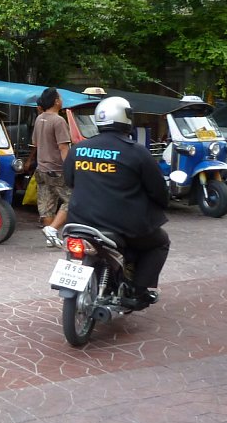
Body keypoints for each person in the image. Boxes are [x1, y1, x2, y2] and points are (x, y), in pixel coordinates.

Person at [63, 96, 171, 310]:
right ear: (125, 118)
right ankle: (139, 291)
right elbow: (158, 190)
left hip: (79, 220)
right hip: (122, 225)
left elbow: (69, 181)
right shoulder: (136, 152)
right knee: (160, 242)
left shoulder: (79, 149)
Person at [31, 87, 72, 247]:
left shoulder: (39, 118)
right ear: (56, 101)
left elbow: (35, 143)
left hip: (41, 169)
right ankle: (53, 230)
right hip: (57, 170)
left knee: (47, 205)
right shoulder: (58, 120)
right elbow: (63, 148)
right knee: (73, 201)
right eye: (60, 97)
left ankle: (50, 238)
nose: (62, 100)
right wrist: (69, 169)